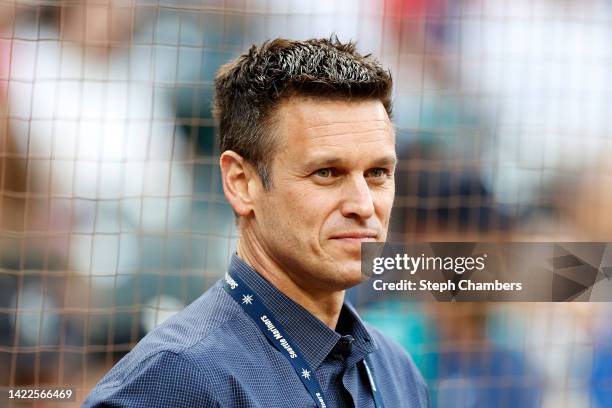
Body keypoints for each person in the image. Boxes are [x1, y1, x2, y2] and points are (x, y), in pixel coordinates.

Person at [84, 37, 429, 408]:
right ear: (241, 183)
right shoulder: (178, 377)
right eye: (327, 172)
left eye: (377, 172)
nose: (363, 205)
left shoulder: (396, 370)